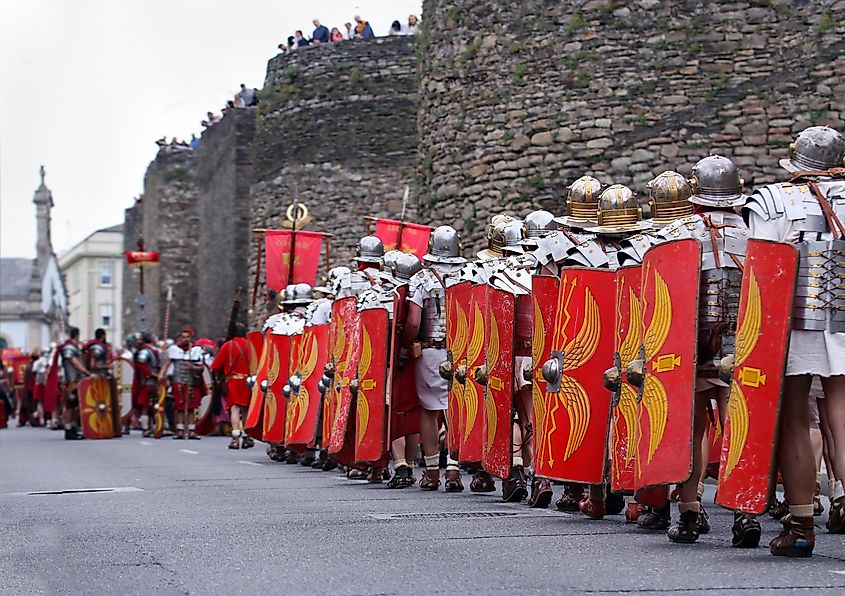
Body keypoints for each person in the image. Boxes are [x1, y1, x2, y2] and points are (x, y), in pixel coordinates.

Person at [743, 125, 845, 553]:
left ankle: (801, 525)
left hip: (794, 325)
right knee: (841, 410)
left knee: (793, 417)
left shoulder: (773, 202)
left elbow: (761, 276)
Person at [403, 226, 467, 490]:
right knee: (457, 409)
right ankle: (453, 468)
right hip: (462, 351)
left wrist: (407, 345)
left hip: (430, 352)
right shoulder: (467, 276)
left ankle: (431, 472)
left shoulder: (421, 279)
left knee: (430, 410)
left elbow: (414, 321)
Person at [211, 323, 254, 450]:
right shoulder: (251, 345)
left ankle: (235, 437)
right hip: (248, 381)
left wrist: (219, 379)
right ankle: (246, 436)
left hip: (234, 381)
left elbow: (216, 366)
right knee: (246, 409)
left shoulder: (227, 346)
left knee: (235, 409)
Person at [159, 328, 204, 440]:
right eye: (183, 337)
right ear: (180, 338)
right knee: (179, 408)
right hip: (178, 382)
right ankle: (179, 430)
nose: (185, 339)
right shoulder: (174, 350)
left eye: (187, 337)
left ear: (190, 338)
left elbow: (201, 368)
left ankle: (192, 431)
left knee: (191, 408)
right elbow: (167, 363)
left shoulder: (196, 350)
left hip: (192, 383)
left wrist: (192, 367)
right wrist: (161, 374)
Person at [57, 327, 91, 440]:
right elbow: (74, 361)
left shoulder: (74, 346)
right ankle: (68, 429)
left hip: (77, 381)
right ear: (77, 335)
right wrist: (86, 372)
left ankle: (73, 428)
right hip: (72, 381)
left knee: (76, 406)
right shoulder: (69, 347)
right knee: (70, 406)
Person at [132, 332, 161, 437]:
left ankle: (152, 427)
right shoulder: (145, 351)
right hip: (147, 382)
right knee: (145, 406)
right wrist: (151, 374)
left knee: (154, 406)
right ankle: (145, 428)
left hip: (155, 382)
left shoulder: (154, 350)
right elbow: (142, 365)